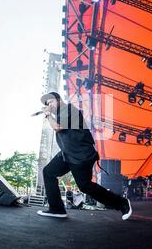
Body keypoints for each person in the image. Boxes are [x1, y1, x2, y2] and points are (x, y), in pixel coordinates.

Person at [37, 92, 132, 220]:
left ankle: (122, 203)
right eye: (47, 104)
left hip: (81, 155)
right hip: (67, 154)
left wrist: (47, 114)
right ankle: (57, 209)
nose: (49, 105)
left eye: (51, 102)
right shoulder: (61, 114)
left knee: (85, 186)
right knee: (48, 172)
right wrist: (50, 114)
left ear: (59, 100)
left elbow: (57, 128)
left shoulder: (69, 109)